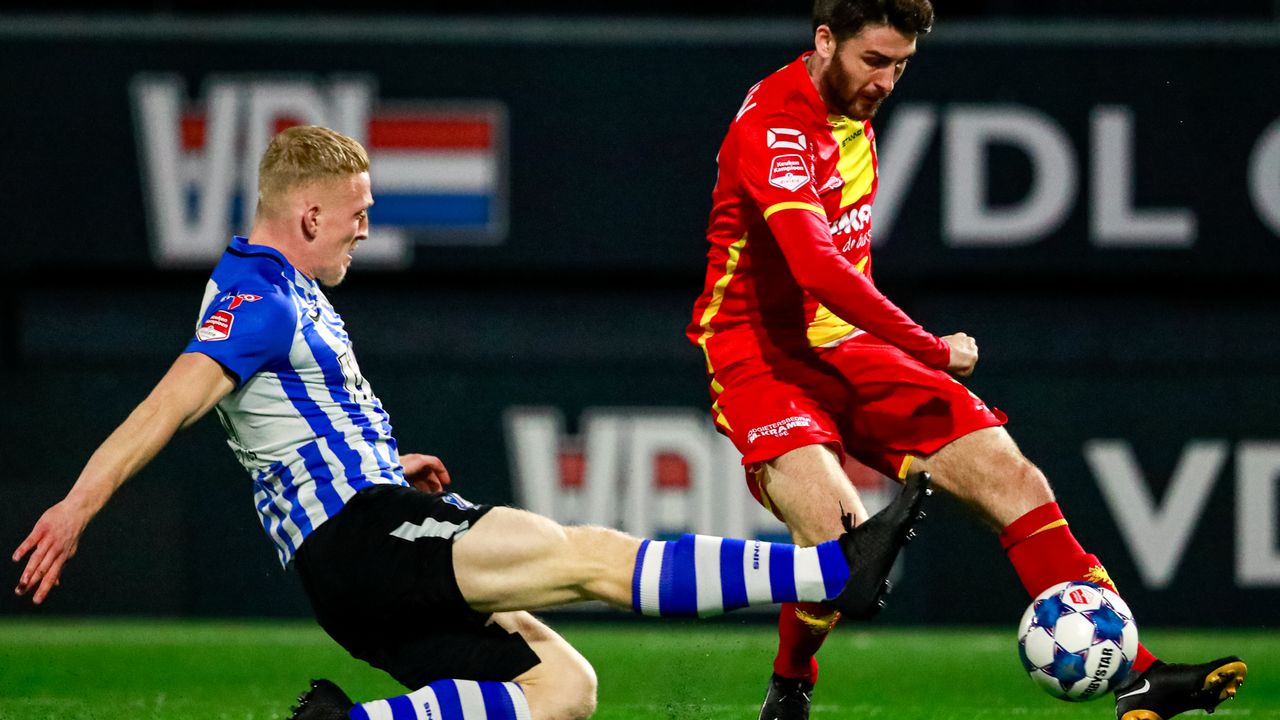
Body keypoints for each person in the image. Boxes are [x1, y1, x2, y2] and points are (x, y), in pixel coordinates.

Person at [11, 125, 932, 720]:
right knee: (584, 555)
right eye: (358, 214)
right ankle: (829, 570)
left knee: (565, 690)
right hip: (361, 541)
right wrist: (79, 505)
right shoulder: (258, 298)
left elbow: (277, 427)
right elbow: (169, 404)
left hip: (355, 557)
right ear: (309, 211)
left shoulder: (282, 289)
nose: (365, 229)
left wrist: (379, 458)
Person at [685, 2, 1247, 719]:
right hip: (757, 351)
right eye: (874, 61)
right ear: (824, 41)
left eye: (901, 66)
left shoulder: (851, 101)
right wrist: (929, 348)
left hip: (845, 346)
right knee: (837, 547)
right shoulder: (775, 124)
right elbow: (817, 268)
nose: (887, 81)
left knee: (1012, 478)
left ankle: (1141, 678)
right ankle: (791, 684)